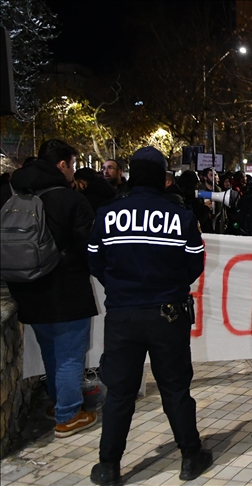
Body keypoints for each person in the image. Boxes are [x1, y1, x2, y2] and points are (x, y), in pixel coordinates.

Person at [87, 147, 211, 485]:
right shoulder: (180, 216)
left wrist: (121, 287)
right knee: (175, 389)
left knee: (120, 393)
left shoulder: (108, 214)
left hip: (123, 316)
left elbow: (95, 261)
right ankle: (189, 457)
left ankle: (109, 467)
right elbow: (194, 264)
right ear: (161, 178)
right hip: (167, 315)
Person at [0, 139, 99, 438]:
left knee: (51, 353)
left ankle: (59, 404)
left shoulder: (10, 191)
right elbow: (88, 247)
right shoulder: (69, 200)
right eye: (71, 164)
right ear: (62, 165)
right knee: (70, 355)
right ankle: (68, 415)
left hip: (25, 287)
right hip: (66, 289)